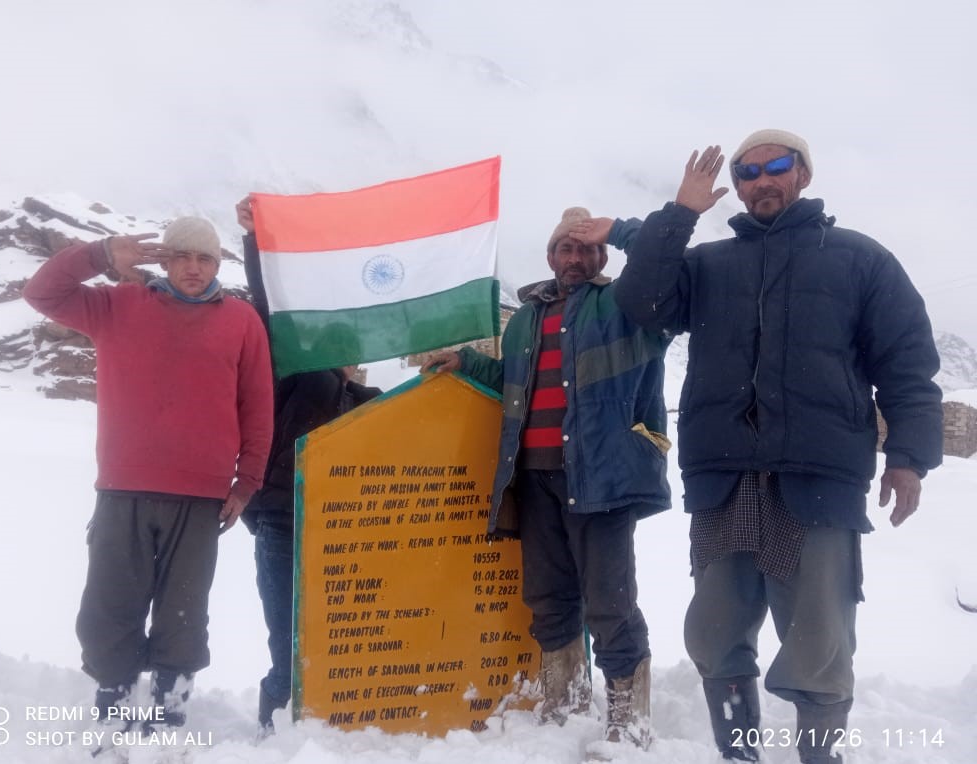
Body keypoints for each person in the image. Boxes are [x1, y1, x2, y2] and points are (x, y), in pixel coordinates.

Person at [571, 130, 943, 763]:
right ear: (737, 186)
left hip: (818, 478)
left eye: (777, 165)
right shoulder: (708, 264)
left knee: (820, 645)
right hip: (724, 477)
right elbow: (642, 300)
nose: (762, 178)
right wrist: (681, 213)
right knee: (714, 634)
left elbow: (906, 363)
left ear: (802, 173)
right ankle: (740, 755)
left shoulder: (859, 259)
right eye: (748, 170)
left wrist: (908, 457)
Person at [420, 207, 671, 751]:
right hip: (532, 478)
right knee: (548, 595)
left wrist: (622, 231)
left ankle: (629, 720)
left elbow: (659, 265)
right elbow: (514, 378)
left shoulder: (626, 305)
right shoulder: (527, 319)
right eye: (566, 248)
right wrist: (465, 360)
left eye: (585, 249)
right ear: (551, 256)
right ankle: (566, 699)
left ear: (600, 257)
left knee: (610, 599)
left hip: (602, 478)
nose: (574, 258)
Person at [22, 217, 274, 732]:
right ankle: (112, 709)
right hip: (123, 489)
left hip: (203, 497)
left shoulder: (241, 320)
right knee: (110, 604)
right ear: (163, 260)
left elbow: (257, 405)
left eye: (205, 258)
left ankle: (168, 711)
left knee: (184, 613)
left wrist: (246, 482)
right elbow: (42, 292)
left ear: (217, 264)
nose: (193, 268)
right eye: (182, 256)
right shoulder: (118, 306)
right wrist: (98, 255)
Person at [235, 196, 382, 735]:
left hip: (343, 527)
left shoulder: (364, 397)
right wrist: (256, 243)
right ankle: (274, 727)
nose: (346, 355)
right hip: (282, 518)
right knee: (288, 636)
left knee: (330, 634)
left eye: (351, 347)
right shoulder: (293, 371)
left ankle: (324, 726)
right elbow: (270, 305)